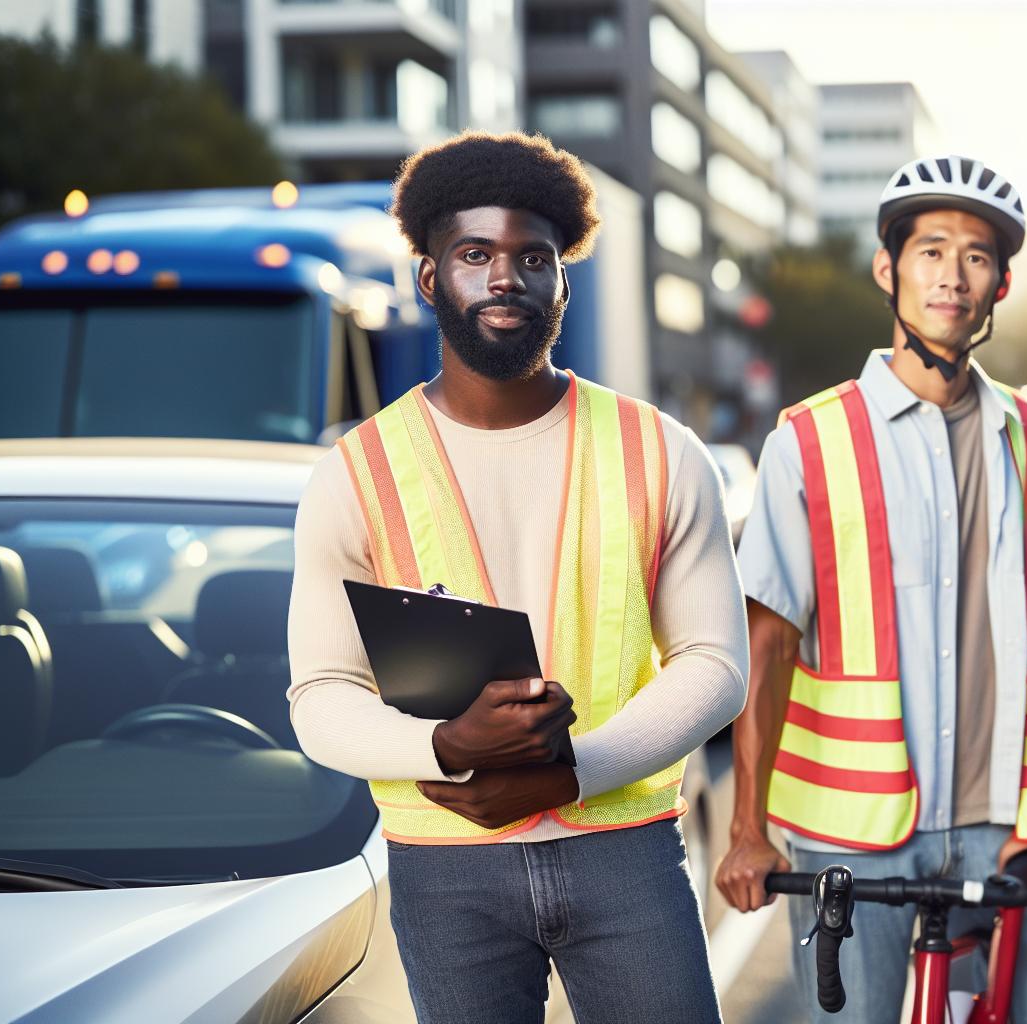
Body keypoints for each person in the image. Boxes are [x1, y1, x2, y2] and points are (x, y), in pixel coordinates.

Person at [286, 131, 746, 1024]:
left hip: (624, 845)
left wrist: (571, 775)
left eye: (533, 257)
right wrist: (446, 747)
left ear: (562, 285)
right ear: (429, 279)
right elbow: (320, 695)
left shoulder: (662, 452)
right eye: (474, 254)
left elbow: (716, 665)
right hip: (444, 860)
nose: (506, 277)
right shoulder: (355, 472)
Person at [715, 155, 1027, 1023]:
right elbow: (766, 642)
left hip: (1011, 825)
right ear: (889, 270)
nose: (953, 276)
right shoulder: (807, 441)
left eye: (976, 257)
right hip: (851, 833)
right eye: (932, 251)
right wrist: (748, 829)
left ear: (1000, 283)